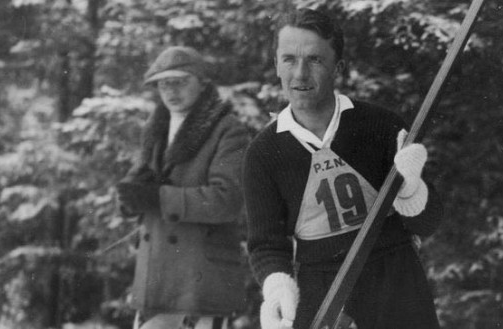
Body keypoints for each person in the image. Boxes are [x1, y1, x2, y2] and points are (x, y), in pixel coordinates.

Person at [242, 8, 443, 329]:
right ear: (276, 65)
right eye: (289, 59)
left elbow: (428, 222)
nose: (300, 74)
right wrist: (278, 289)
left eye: (315, 60)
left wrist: (411, 189)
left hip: (395, 280)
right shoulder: (264, 153)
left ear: (339, 67)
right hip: (321, 289)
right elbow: (266, 243)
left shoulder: (380, 125)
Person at [117, 46, 251, 329]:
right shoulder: (156, 128)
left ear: (202, 84)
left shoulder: (228, 129)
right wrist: (130, 196)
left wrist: (158, 198)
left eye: (181, 81)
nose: (171, 90)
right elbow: (140, 183)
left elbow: (226, 200)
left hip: (202, 282)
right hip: (156, 280)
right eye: (164, 83)